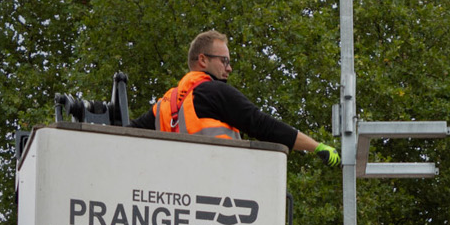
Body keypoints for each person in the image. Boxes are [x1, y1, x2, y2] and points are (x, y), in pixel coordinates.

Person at [134, 30, 334, 156]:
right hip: (219, 183)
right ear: (203, 60)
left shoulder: (165, 104)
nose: (229, 69)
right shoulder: (214, 91)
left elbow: (125, 134)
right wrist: (316, 147)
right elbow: (261, 124)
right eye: (225, 61)